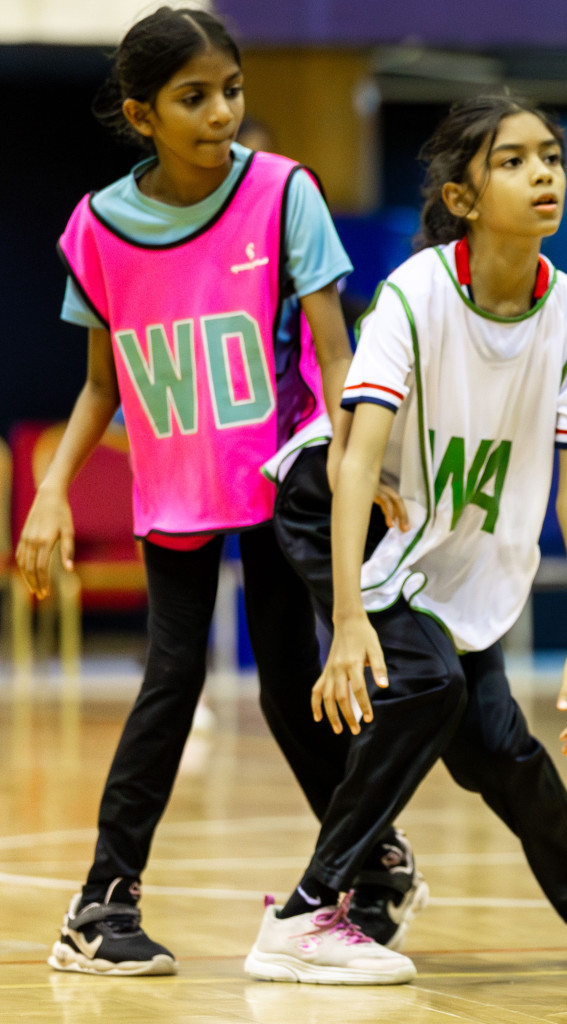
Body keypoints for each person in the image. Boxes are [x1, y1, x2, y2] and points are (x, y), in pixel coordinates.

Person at [15, 6, 418, 977]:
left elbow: (335, 351)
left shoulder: (285, 193)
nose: (221, 111)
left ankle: (370, 859)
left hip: (280, 480)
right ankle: (99, 906)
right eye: (194, 97)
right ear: (141, 113)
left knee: (290, 687)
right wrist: (51, 490)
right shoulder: (98, 226)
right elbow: (103, 385)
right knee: (172, 678)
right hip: (175, 490)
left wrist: (370, 463)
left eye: (231, 89)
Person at [245, 93, 567, 985]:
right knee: (423, 684)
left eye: (550, 156)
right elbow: (356, 458)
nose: (542, 173)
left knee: (494, 742)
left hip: (449, 542)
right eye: (513, 160)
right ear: (462, 197)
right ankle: (308, 915)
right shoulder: (417, 291)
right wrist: (349, 617)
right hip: (346, 508)